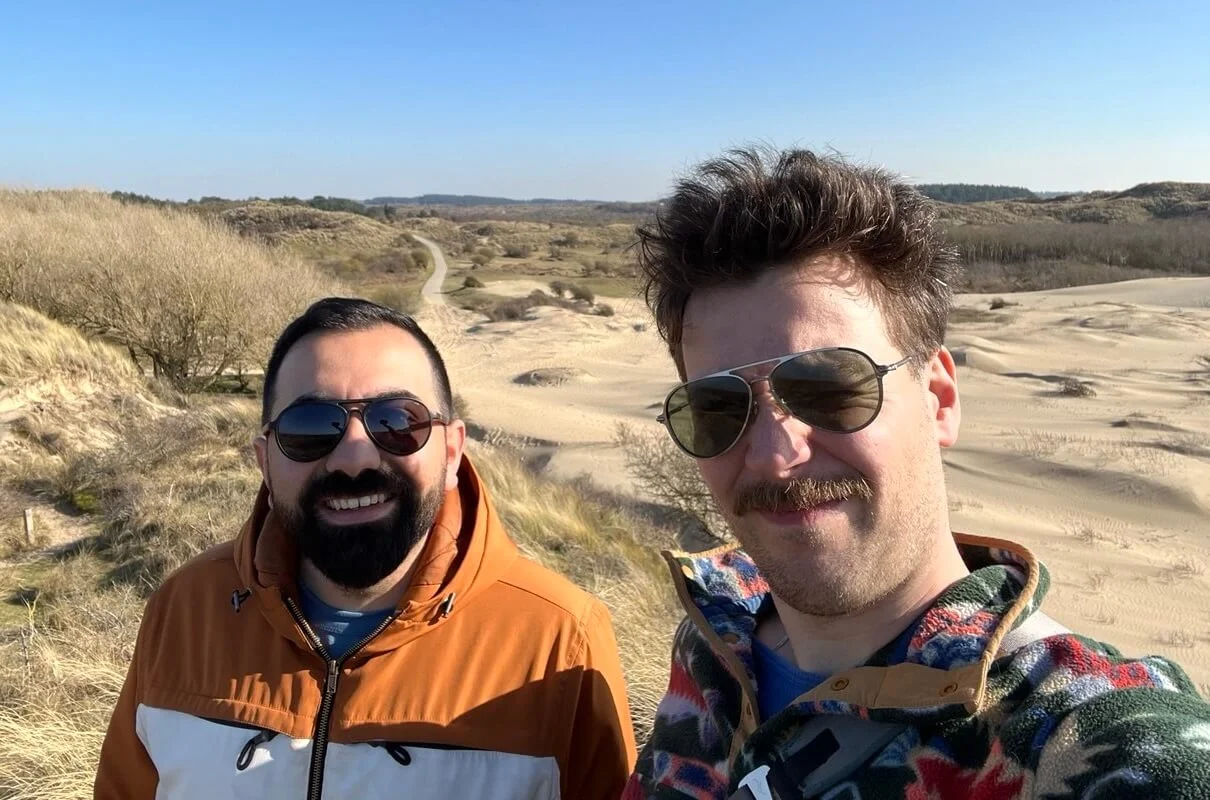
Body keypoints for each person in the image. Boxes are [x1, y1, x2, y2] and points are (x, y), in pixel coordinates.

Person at [623, 147, 1210, 799]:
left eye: (828, 388)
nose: (772, 455)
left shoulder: (1085, 740)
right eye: (718, 407)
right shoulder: (710, 645)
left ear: (939, 400)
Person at [95, 297, 635, 799]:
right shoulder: (184, 609)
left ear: (452, 450)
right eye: (310, 428)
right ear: (264, 460)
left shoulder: (563, 641)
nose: (354, 457)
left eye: (397, 422)